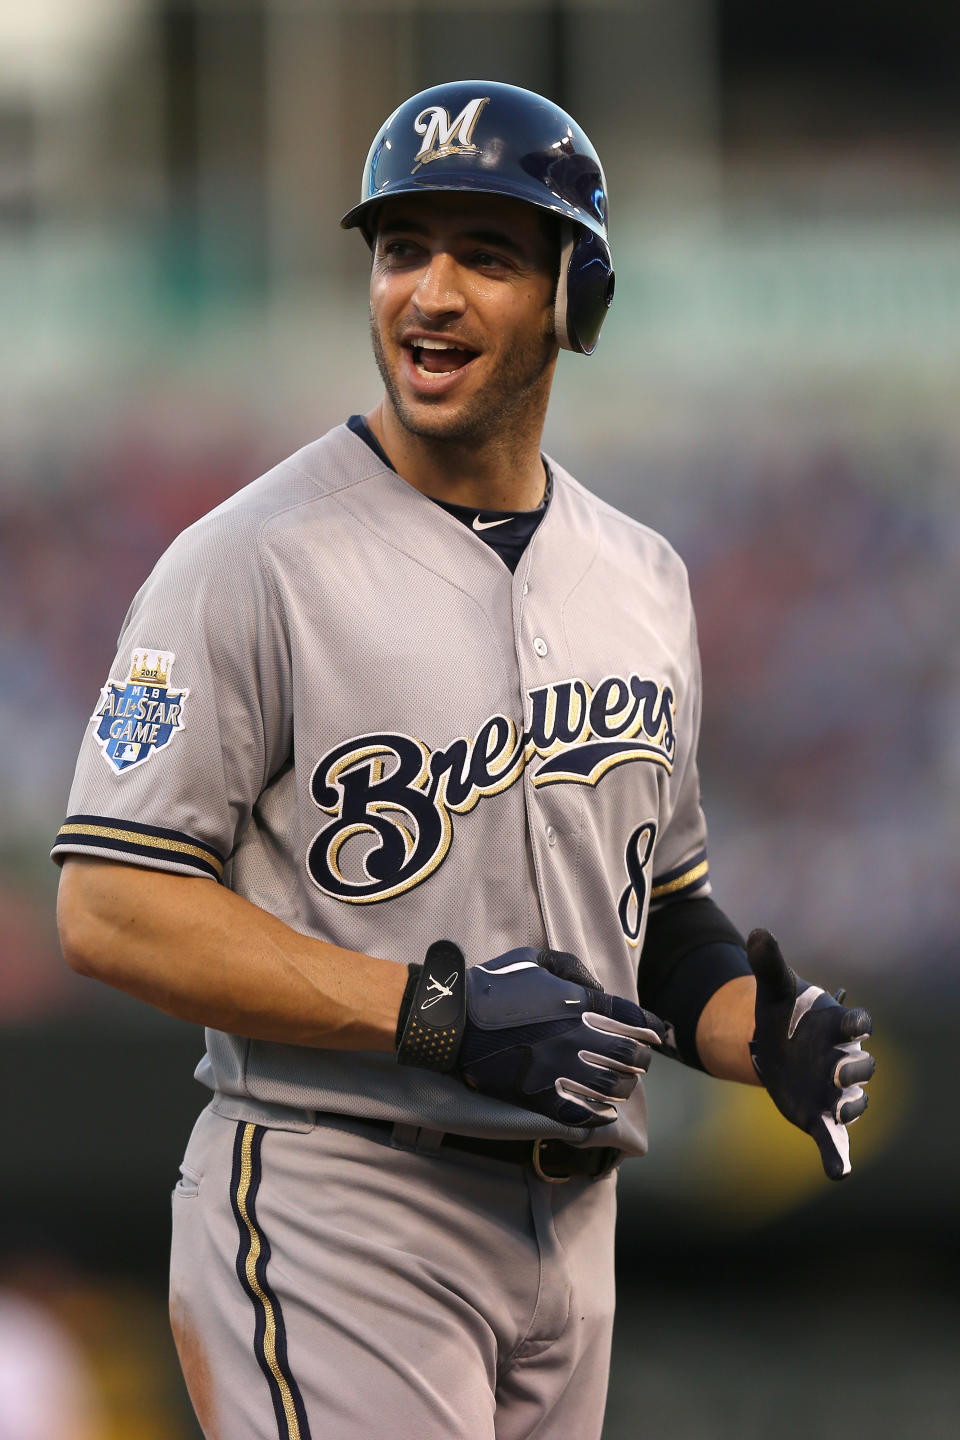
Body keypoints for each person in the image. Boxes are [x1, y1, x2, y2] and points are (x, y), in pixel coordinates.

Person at [54, 80, 875, 1440]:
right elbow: (110, 902)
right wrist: (426, 1013)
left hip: (575, 1230)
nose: (427, 293)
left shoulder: (643, 578)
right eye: (400, 249)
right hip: (341, 1196)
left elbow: (661, 925)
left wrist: (762, 1035)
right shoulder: (245, 562)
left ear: (577, 297)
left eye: (485, 256)